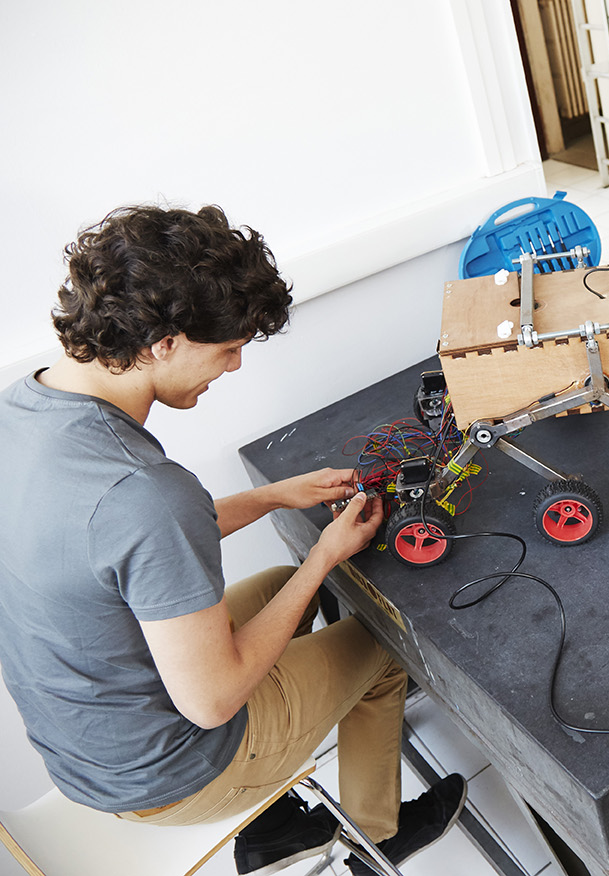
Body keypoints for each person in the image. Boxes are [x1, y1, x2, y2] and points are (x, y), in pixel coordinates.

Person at [0, 205, 466, 876]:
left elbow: (122, 548)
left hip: (83, 739)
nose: (236, 365)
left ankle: (276, 828)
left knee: (283, 591)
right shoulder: (144, 490)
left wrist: (274, 495)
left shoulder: (26, 407)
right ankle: (377, 835)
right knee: (381, 636)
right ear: (165, 343)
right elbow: (212, 699)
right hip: (172, 774)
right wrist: (323, 556)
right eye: (227, 348)